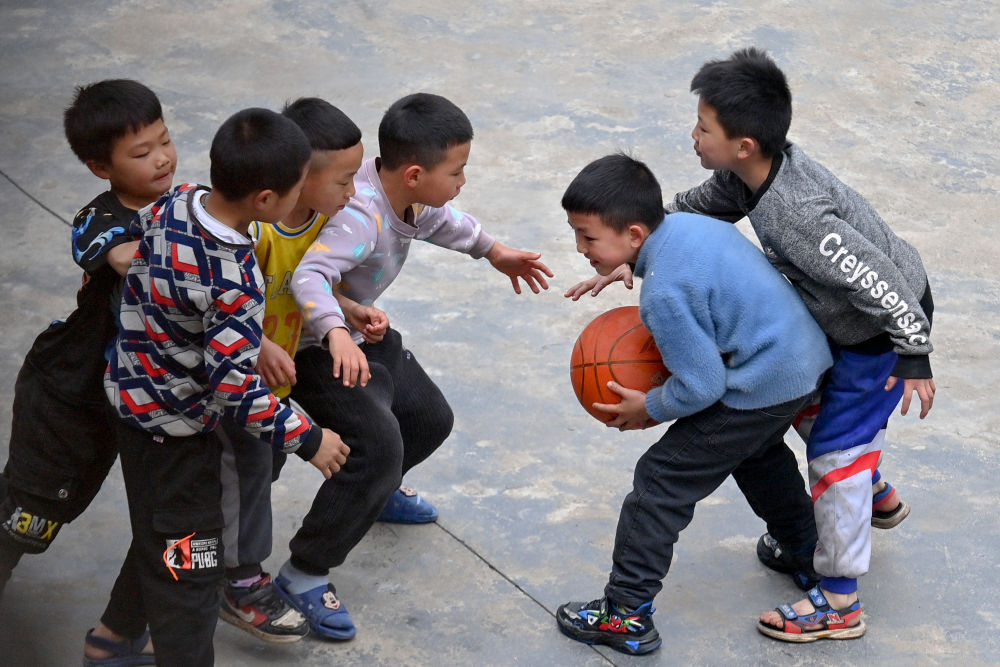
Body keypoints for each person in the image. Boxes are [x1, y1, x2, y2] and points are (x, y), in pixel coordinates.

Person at [667, 47, 935, 641]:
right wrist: (641, 242)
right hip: (848, 316)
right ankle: (876, 495)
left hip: (881, 328)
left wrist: (912, 351)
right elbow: (699, 208)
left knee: (835, 454)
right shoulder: (749, 176)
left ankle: (840, 603)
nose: (693, 135)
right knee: (808, 402)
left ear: (744, 144)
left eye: (703, 128)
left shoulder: (800, 217)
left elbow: (881, 283)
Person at [282, 92, 553, 640]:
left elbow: (444, 220)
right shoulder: (357, 216)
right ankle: (304, 571)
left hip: (363, 332)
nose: (462, 181)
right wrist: (336, 333)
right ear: (412, 173)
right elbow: (307, 277)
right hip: (315, 350)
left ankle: (375, 496)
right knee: (377, 447)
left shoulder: (410, 198)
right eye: (458, 171)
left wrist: (493, 251)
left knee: (428, 418)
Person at [554, 154, 833, 656]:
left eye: (589, 238)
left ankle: (626, 614)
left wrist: (652, 405)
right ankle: (808, 552)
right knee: (756, 453)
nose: (581, 248)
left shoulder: (662, 294)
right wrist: (625, 262)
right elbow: (700, 280)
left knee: (661, 481)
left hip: (761, 380)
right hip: (798, 360)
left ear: (635, 235)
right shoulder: (686, 225)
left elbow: (702, 386)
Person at [104, 107, 350, 665]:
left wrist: (238, 335)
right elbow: (235, 387)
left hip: (130, 396)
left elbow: (161, 268)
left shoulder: (179, 199)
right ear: (265, 201)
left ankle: (110, 642)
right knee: (191, 569)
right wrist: (309, 438)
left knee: (157, 534)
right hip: (177, 434)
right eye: (292, 195)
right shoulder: (235, 274)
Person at [0, 79, 177, 666]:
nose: (161, 158)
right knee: (32, 517)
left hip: (146, 398)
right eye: (140, 152)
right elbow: (106, 250)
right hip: (71, 395)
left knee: (171, 515)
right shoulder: (101, 220)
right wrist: (138, 250)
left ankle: (119, 633)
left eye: (164, 141)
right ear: (100, 166)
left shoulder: (182, 207)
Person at [217, 97, 396, 642]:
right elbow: (222, 310)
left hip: (285, 364)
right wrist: (261, 343)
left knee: (260, 468)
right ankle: (235, 578)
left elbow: (319, 282)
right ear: (297, 177)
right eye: (344, 180)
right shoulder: (254, 234)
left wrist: (348, 309)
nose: (354, 192)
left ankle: (238, 564)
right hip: (243, 373)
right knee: (245, 470)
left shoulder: (321, 219)